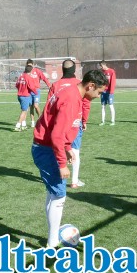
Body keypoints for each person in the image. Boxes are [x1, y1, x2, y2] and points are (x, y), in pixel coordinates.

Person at [32, 69, 108, 248]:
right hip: (47, 149)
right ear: (90, 86)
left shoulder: (73, 93)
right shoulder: (72, 98)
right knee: (59, 195)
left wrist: (66, 149)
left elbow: (57, 125)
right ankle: (52, 243)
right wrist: (61, 163)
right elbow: (57, 134)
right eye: (99, 92)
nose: (98, 96)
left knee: (54, 193)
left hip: (46, 147)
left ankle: (52, 239)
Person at [47, 59, 91, 189]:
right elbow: (86, 104)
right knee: (74, 150)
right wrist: (84, 121)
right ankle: (74, 181)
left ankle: (59, 175)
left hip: (58, 123)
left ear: (63, 69)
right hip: (75, 123)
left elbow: (49, 105)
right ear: (74, 70)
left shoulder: (56, 85)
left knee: (59, 147)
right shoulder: (79, 84)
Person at [26, 59, 51, 128]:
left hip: (36, 91)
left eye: (31, 65)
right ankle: (33, 122)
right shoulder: (26, 71)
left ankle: (41, 120)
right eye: (28, 65)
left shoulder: (37, 71)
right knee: (31, 107)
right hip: (29, 91)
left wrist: (49, 85)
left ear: (33, 65)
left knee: (36, 106)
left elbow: (44, 78)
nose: (30, 67)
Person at [14, 65, 35, 132]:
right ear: (31, 71)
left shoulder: (21, 76)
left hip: (19, 96)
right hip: (25, 96)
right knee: (24, 111)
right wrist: (35, 92)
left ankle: (23, 125)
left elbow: (16, 85)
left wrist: (20, 89)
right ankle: (17, 126)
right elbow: (31, 87)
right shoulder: (28, 77)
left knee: (25, 110)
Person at [99, 60, 116, 126]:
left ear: (103, 65)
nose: (100, 68)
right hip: (103, 91)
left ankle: (112, 121)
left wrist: (111, 91)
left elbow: (113, 81)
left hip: (109, 92)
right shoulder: (102, 72)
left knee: (111, 105)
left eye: (101, 66)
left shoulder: (111, 71)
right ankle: (103, 121)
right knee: (103, 106)